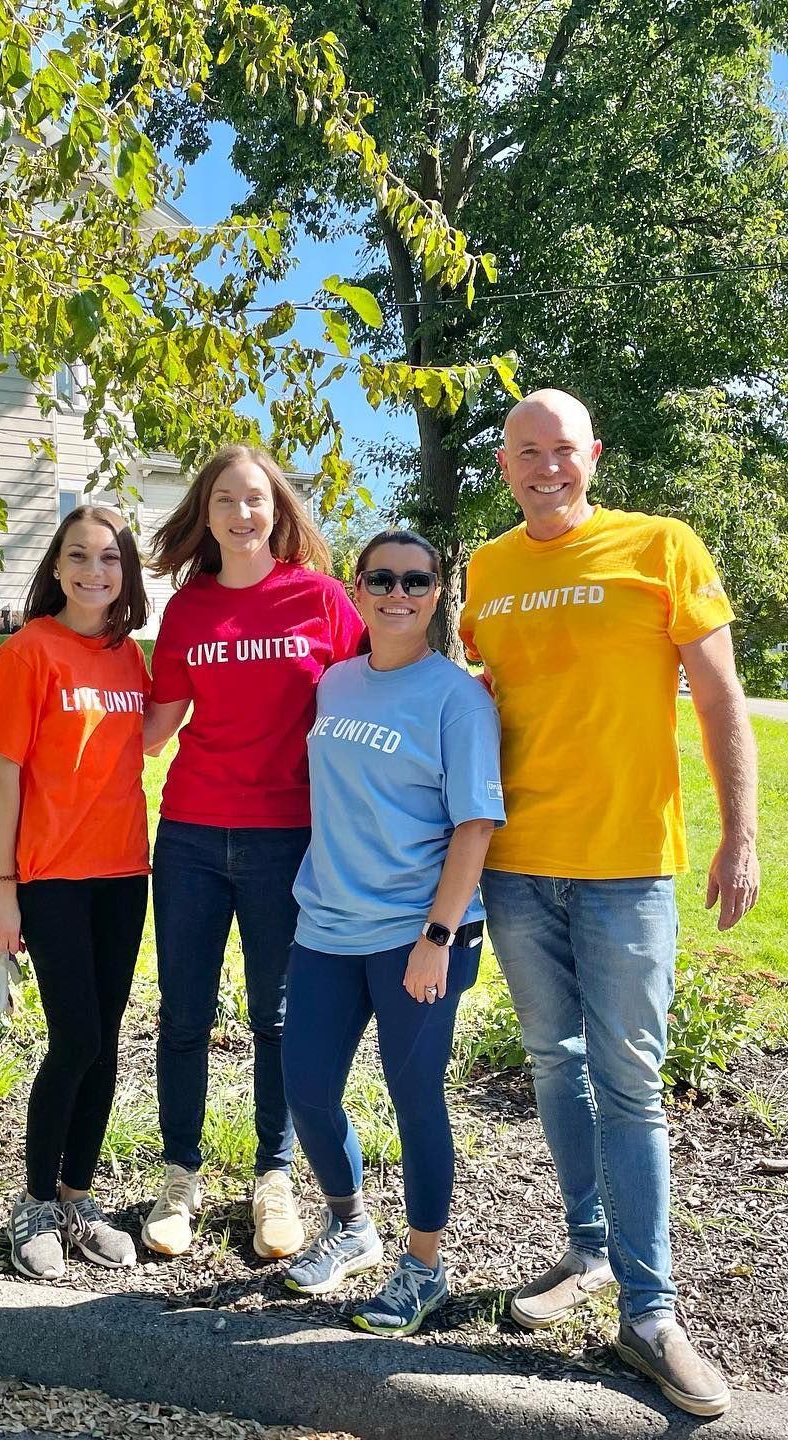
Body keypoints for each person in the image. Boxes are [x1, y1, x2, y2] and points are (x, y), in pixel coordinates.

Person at [460, 389, 759, 1418]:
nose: (548, 467)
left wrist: (741, 836)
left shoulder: (661, 546)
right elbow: (474, 708)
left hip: (629, 866)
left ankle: (650, 1312)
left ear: (593, 455)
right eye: (526, 452)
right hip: (515, 866)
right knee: (554, 1062)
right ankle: (587, 1251)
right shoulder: (485, 571)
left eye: (564, 450)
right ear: (505, 465)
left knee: (628, 1084)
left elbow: (720, 697)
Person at [141, 444, 366, 1260]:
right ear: (205, 514)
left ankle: (274, 1180)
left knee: (277, 1018)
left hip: (287, 838)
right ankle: (180, 1178)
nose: (243, 514)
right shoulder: (190, 610)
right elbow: (157, 726)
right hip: (193, 834)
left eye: (257, 500)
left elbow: (367, 695)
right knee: (183, 1016)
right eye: (226, 501)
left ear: (279, 511)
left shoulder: (321, 599)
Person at [281, 529, 505, 1337]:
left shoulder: (457, 699)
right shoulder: (336, 684)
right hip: (328, 924)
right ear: (359, 586)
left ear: (437, 594)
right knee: (304, 1085)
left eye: (416, 579)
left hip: (420, 933)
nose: (397, 592)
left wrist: (437, 937)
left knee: (416, 1098)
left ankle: (424, 1267)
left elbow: (475, 827)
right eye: (381, 577)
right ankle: (351, 1226)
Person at [0, 504, 151, 1282]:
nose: (94, 571)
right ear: (56, 566)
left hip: (123, 873)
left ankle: (79, 1197)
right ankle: (35, 1203)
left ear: (127, 574)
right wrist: (1, 886)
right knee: (74, 1040)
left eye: (109, 559)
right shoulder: (28, 652)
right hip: (50, 876)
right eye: (79, 556)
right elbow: (2, 772)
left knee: (106, 1044)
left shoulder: (128, 658)